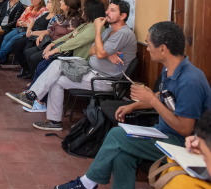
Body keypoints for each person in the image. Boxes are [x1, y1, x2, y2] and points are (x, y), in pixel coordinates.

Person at [55, 21, 211, 189]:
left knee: (117, 134)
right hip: (163, 132)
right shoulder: (170, 69)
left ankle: (86, 183)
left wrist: (150, 100)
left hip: (182, 144)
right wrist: (134, 106)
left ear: (163, 49)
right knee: (123, 156)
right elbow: (164, 96)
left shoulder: (190, 81)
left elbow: (185, 129)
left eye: (149, 44)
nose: (148, 48)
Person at [7, 0, 137, 132]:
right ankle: (53, 120)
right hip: (90, 70)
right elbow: (93, 50)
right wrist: (106, 53)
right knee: (57, 75)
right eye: (108, 9)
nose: (107, 12)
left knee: (56, 68)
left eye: (112, 10)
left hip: (104, 80)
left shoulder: (123, 33)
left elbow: (98, 53)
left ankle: (32, 96)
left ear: (123, 16)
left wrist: (99, 35)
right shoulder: (109, 31)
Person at [23, 0, 106, 113]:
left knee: (46, 66)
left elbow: (75, 42)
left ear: (90, 12)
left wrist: (54, 50)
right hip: (73, 58)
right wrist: (52, 44)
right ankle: (34, 96)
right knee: (43, 64)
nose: (82, 12)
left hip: (81, 62)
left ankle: (38, 100)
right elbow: (69, 36)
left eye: (85, 10)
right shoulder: (87, 25)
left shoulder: (94, 29)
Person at [21, 0, 83, 79]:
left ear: (68, 4)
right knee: (27, 52)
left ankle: (40, 80)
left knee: (34, 58)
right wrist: (43, 34)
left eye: (62, 0)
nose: (60, 2)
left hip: (60, 47)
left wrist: (52, 45)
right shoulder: (62, 15)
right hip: (50, 42)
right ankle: (34, 78)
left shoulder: (74, 20)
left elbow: (70, 37)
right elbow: (51, 29)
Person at [0, 0, 47, 66]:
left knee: (13, 40)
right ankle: (0, 59)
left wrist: (26, 24)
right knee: (6, 37)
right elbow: (19, 20)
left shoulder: (43, 10)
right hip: (20, 28)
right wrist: (21, 23)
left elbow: (37, 23)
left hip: (29, 31)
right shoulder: (29, 8)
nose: (32, 0)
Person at [12, 0, 62, 78]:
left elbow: (48, 31)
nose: (46, 3)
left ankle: (30, 71)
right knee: (15, 44)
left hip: (38, 37)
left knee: (26, 50)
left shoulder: (56, 18)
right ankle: (26, 68)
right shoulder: (45, 13)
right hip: (31, 33)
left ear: (54, 4)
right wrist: (29, 30)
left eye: (48, 2)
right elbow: (33, 21)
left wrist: (33, 33)